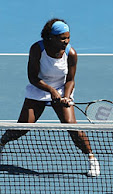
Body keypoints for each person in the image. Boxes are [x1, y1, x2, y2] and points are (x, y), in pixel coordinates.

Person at [0, 18, 100, 177]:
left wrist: (66, 96)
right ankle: (2, 142)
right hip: (39, 87)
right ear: (51, 37)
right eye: (62, 38)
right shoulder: (37, 49)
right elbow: (32, 77)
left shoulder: (71, 54)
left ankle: (92, 159)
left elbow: (70, 80)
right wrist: (50, 91)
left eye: (68, 37)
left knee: (72, 127)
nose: (66, 41)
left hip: (61, 88)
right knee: (22, 127)